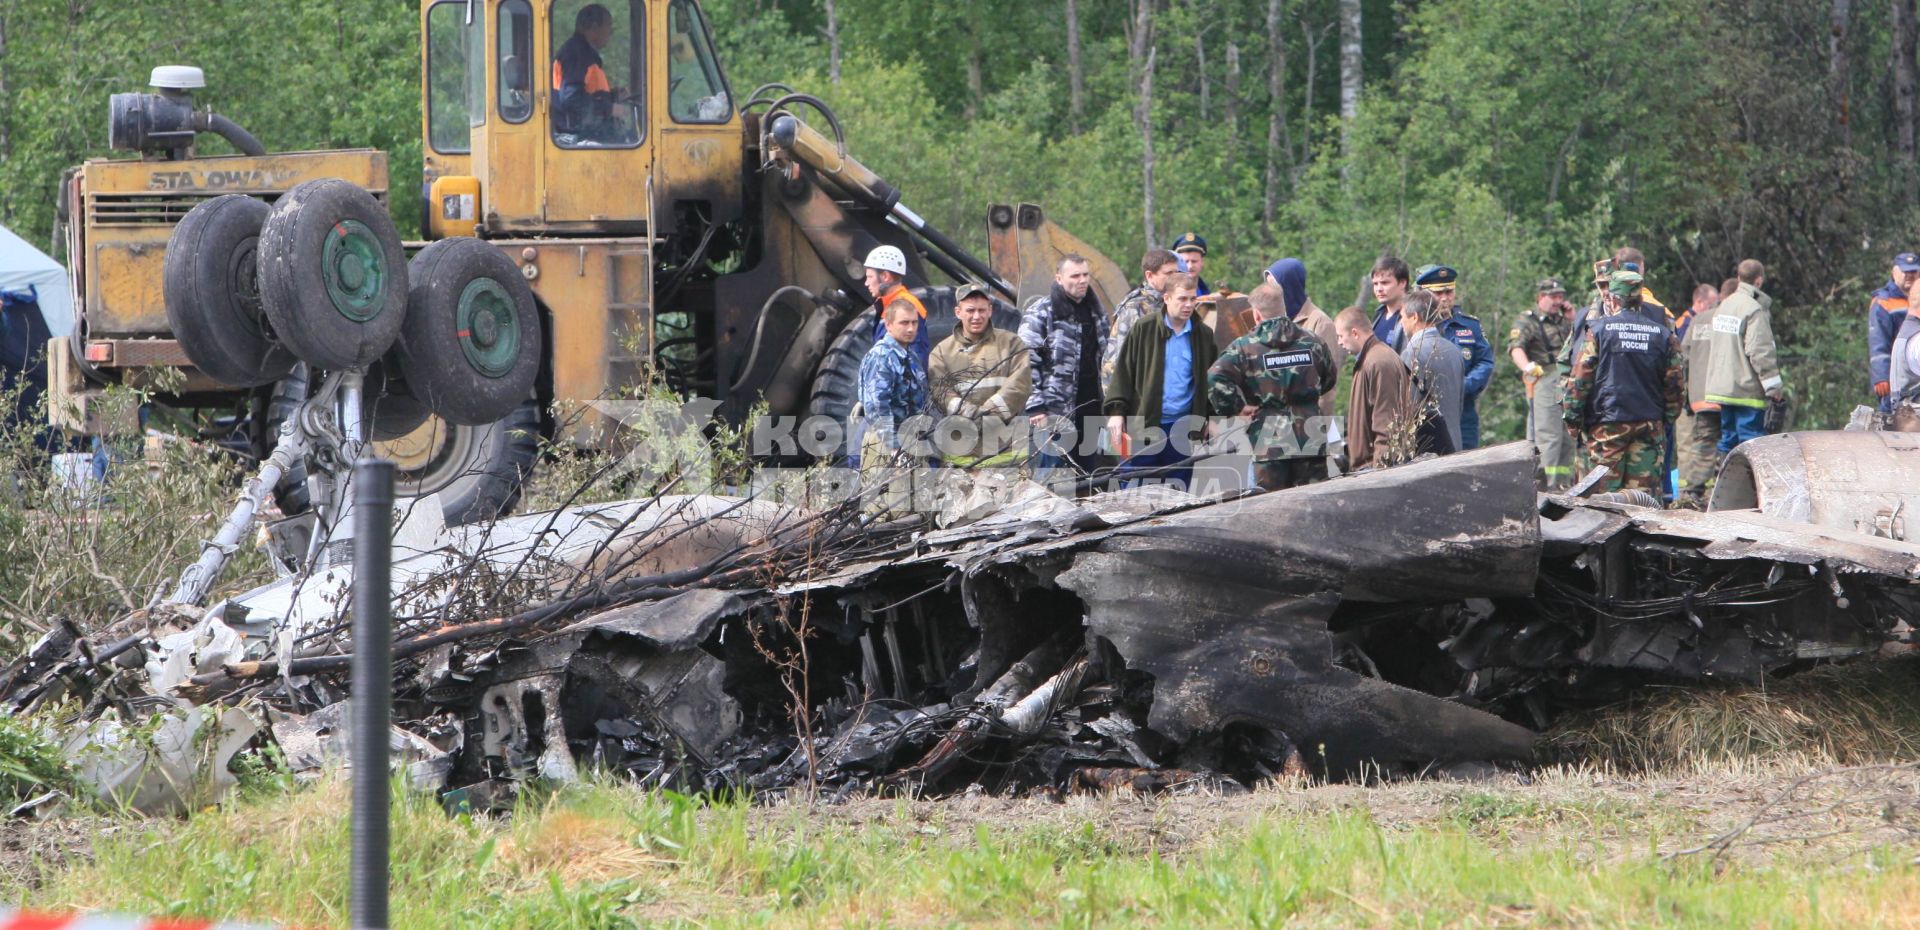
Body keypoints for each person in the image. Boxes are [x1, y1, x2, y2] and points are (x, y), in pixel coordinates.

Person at [1563, 267, 1683, 494]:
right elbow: (1675, 384)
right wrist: (1666, 418)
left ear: (1613, 299)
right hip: (1649, 425)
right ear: (1640, 298)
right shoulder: (1663, 334)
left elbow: (1580, 379)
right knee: (1642, 498)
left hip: (1607, 427)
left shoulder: (1599, 331)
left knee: (1601, 501)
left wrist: (1572, 417)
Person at [1207, 283, 1337, 490]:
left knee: (1271, 509)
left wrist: (1236, 407)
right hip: (1310, 435)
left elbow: (1214, 377)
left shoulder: (1243, 347)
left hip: (1269, 439)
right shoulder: (1313, 342)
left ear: (1256, 315)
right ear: (1284, 309)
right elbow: (1329, 378)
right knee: (1315, 504)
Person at [1103, 272, 1217, 488]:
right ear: (1167, 298)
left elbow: (1209, 380)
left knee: (1178, 489)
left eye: (1193, 299)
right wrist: (1116, 413)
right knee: (1134, 487)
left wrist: (1211, 416)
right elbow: (1124, 372)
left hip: (1183, 425)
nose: (1188, 305)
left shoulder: (1203, 334)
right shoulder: (1144, 329)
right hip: (1145, 423)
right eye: (1182, 299)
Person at [1019, 254, 1108, 474]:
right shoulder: (1041, 312)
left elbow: (1108, 357)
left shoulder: (1097, 311)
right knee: (1050, 473)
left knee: (1086, 472)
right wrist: (1036, 407)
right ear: (1059, 278)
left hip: (1091, 405)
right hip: (1054, 410)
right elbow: (1025, 362)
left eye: (1086, 275)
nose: (1082, 280)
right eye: (1075, 275)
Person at [928, 283, 1031, 465]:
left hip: (1006, 450)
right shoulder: (942, 352)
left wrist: (987, 414)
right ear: (958, 312)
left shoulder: (1012, 344)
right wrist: (964, 411)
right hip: (961, 451)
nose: (977, 316)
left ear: (990, 310)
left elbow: (1020, 384)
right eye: (970, 310)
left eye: (982, 310)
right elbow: (939, 389)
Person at [857, 301, 930, 515]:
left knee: (914, 506)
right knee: (884, 510)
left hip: (909, 438)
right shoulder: (882, 356)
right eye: (904, 323)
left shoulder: (909, 356)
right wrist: (893, 446)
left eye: (914, 323)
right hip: (886, 441)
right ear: (888, 325)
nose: (910, 328)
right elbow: (877, 406)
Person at [1704, 260, 1782, 454]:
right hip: (1745, 389)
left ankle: (1723, 481)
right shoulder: (1753, 309)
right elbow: (1759, 351)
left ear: (1739, 278)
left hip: (1722, 388)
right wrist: (1773, 387)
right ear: (1759, 281)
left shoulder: (1723, 306)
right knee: (1752, 442)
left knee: (1728, 439)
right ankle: (1752, 484)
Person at [1506, 278, 1578, 489]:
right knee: (1548, 436)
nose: (1558, 301)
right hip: (1545, 379)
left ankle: (1563, 486)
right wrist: (1527, 367)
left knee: (1568, 437)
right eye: (1553, 297)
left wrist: (1574, 319)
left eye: (1560, 297)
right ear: (1540, 298)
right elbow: (1515, 347)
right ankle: (1545, 488)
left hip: (1568, 380)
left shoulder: (1564, 319)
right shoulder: (1528, 320)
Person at [1415, 264, 1494, 448]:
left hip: (1463, 410)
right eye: (1438, 293)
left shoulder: (1469, 325)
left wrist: (1461, 386)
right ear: (1424, 295)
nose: (1444, 298)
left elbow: (1485, 361)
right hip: (1427, 411)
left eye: (1449, 292)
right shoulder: (1415, 325)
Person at [1264, 258, 1348, 417]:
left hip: (1309, 422)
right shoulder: (1276, 322)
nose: (1270, 294)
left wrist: (1320, 429)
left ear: (1289, 286)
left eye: (1274, 287)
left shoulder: (1320, 323)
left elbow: (1328, 386)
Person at [1336, 305, 1412, 471]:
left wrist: (1380, 472)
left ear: (1355, 333)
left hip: (1374, 468)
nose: (1339, 342)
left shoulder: (1378, 362)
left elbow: (1387, 426)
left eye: (1341, 336)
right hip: (1368, 466)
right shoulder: (1370, 359)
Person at [1673, 282, 1724, 505]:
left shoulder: (1697, 321)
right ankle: (1687, 493)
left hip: (1695, 395)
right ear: (1700, 302)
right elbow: (1681, 359)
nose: (1715, 309)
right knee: (1690, 443)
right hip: (1690, 395)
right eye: (1712, 304)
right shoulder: (1685, 322)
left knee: (1701, 442)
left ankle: (1697, 492)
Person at [1102, 248, 1179, 391]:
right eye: (1169, 273)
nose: (1174, 278)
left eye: (1177, 273)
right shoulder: (1134, 309)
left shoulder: (1174, 304)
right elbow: (1118, 362)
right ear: (1150, 276)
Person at [1400, 289, 1463, 455]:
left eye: (1402, 317)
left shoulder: (1411, 353)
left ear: (1414, 317)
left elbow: (1409, 410)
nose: (1401, 322)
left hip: (1427, 452)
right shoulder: (1455, 351)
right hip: (1456, 445)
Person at [552, 4, 625, 140]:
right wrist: (610, 109)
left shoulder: (584, 53)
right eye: (608, 25)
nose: (611, 32)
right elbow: (571, 99)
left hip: (587, 130)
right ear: (593, 27)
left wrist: (615, 95)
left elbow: (588, 92)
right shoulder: (576, 54)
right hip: (578, 135)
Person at [862, 245, 930, 370]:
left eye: (870, 277)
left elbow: (915, 360)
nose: (866, 283)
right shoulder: (890, 304)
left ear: (886, 276)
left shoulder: (906, 306)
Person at [1867, 252, 1920, 412]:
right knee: (1892, 415)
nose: (1909, 276)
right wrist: (1881, 376)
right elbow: (1878, 342)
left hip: (1914, 366)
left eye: (1913, 271)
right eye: (1905, 271)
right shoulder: (1884, 301)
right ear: (1894, 273)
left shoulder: (1914, 298)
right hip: (1896, 370)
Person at [1368, 254, 1414, 350]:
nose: (1379, 289)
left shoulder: (1414, 316)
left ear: (1402, 283)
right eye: (1375, 284)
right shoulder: (1379, 314)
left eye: (1385, 283)